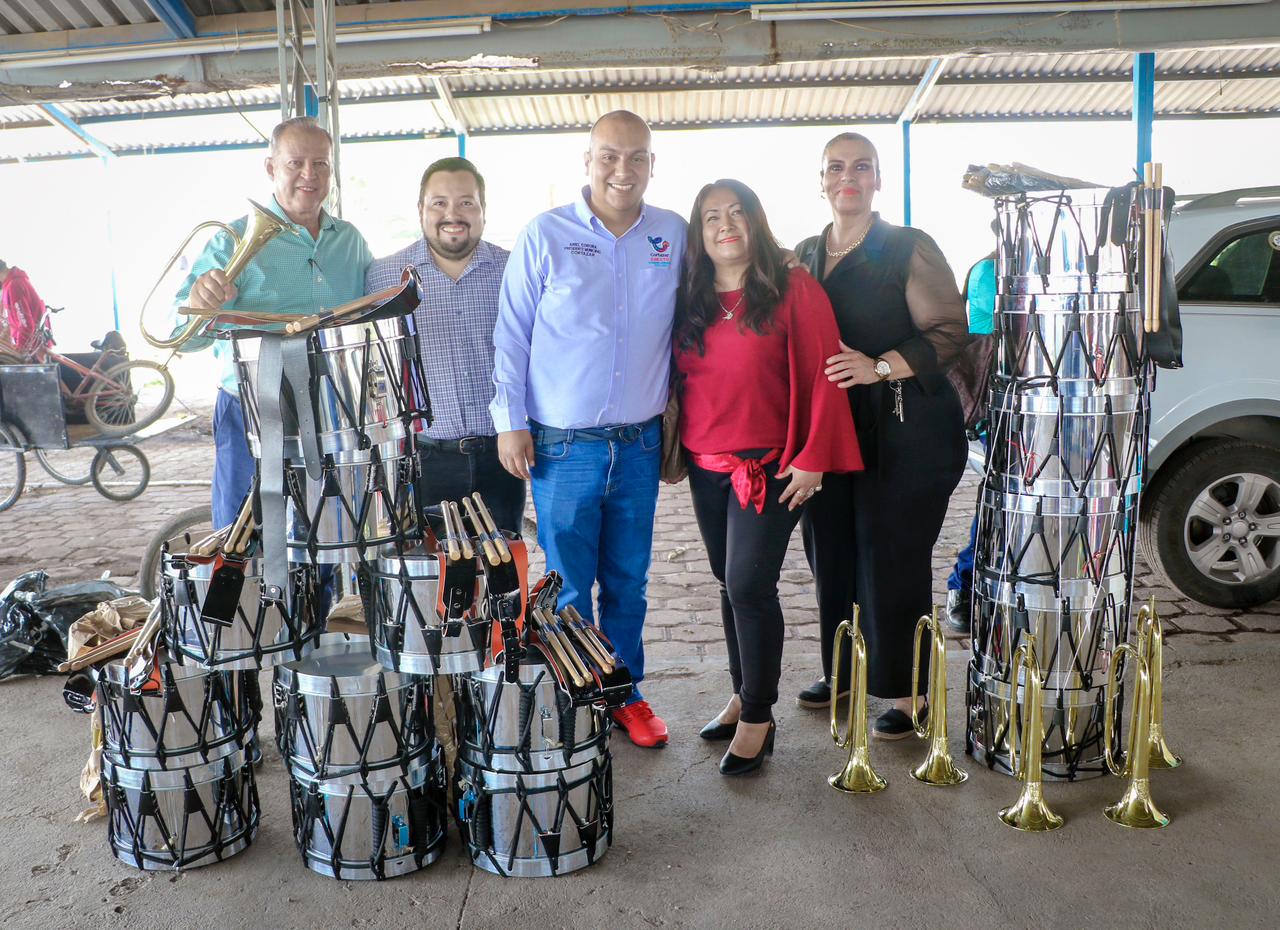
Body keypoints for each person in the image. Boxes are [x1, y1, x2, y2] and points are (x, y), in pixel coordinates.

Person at [491, 110, 686, 748]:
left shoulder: (672, 235)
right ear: (588, 160)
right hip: (562, 446)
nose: (622, 170)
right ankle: (575, 697)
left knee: (628, 581)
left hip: (640, 444)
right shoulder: (546, 234)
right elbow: (512, 335)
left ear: (652, 164)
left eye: (636, 157)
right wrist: (510, 423)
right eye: (609, 156)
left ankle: (625, 694)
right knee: (569, 584)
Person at [675, 179, 862, 775]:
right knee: (727, 584)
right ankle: (741, 693)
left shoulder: (792, 288)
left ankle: (759, 715)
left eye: (737, 213)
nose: (725, 225)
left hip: (771, 465)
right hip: (706, 465)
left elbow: (827, 372)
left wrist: (815, 456)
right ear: (699, 233)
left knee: (750, 586)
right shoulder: (689, 295)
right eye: (711, 217)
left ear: (756, 222)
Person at [796, 132, 970, 739]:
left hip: (905, 427)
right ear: (821, 180)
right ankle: (843, 669)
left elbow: (949, 331)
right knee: (830, 548)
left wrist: (879, 366)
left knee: (890, 554)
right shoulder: (806, 253)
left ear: (878, 180)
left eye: (861, 167)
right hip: (831, 429)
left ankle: (907, 689)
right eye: (836, 167)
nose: (848, 177)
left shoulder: (905, 246)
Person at [174, 117, 373, 529]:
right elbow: (182, 340)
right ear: (270, 168)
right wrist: (198, 304)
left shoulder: (351, 241)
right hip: (250, 408)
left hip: (330, 407)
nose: (309, 174)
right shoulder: (230, 241)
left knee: (327, 534)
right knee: (242, 535)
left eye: (321, 163)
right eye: (295, 163)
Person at [365, 157, 524, 534]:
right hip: (424, 461)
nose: (453, 214)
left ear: (483, 209)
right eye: (439, 203)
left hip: (502, 455)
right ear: (420, 209)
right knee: (435, 568)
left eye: (466, 202)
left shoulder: (515, 270)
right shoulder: (384, 278)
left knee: (504, 565)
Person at [944, 239, 998, 633]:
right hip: (1002, 403)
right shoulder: (988, 271)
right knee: (1000, 497)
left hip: (1061, 400)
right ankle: (964, 584)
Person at [0, 260, 48, 354]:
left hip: (33, 350)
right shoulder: (11, 283)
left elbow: (26, 325)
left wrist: (20, 350)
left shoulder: (14, 285)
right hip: (32, 345)